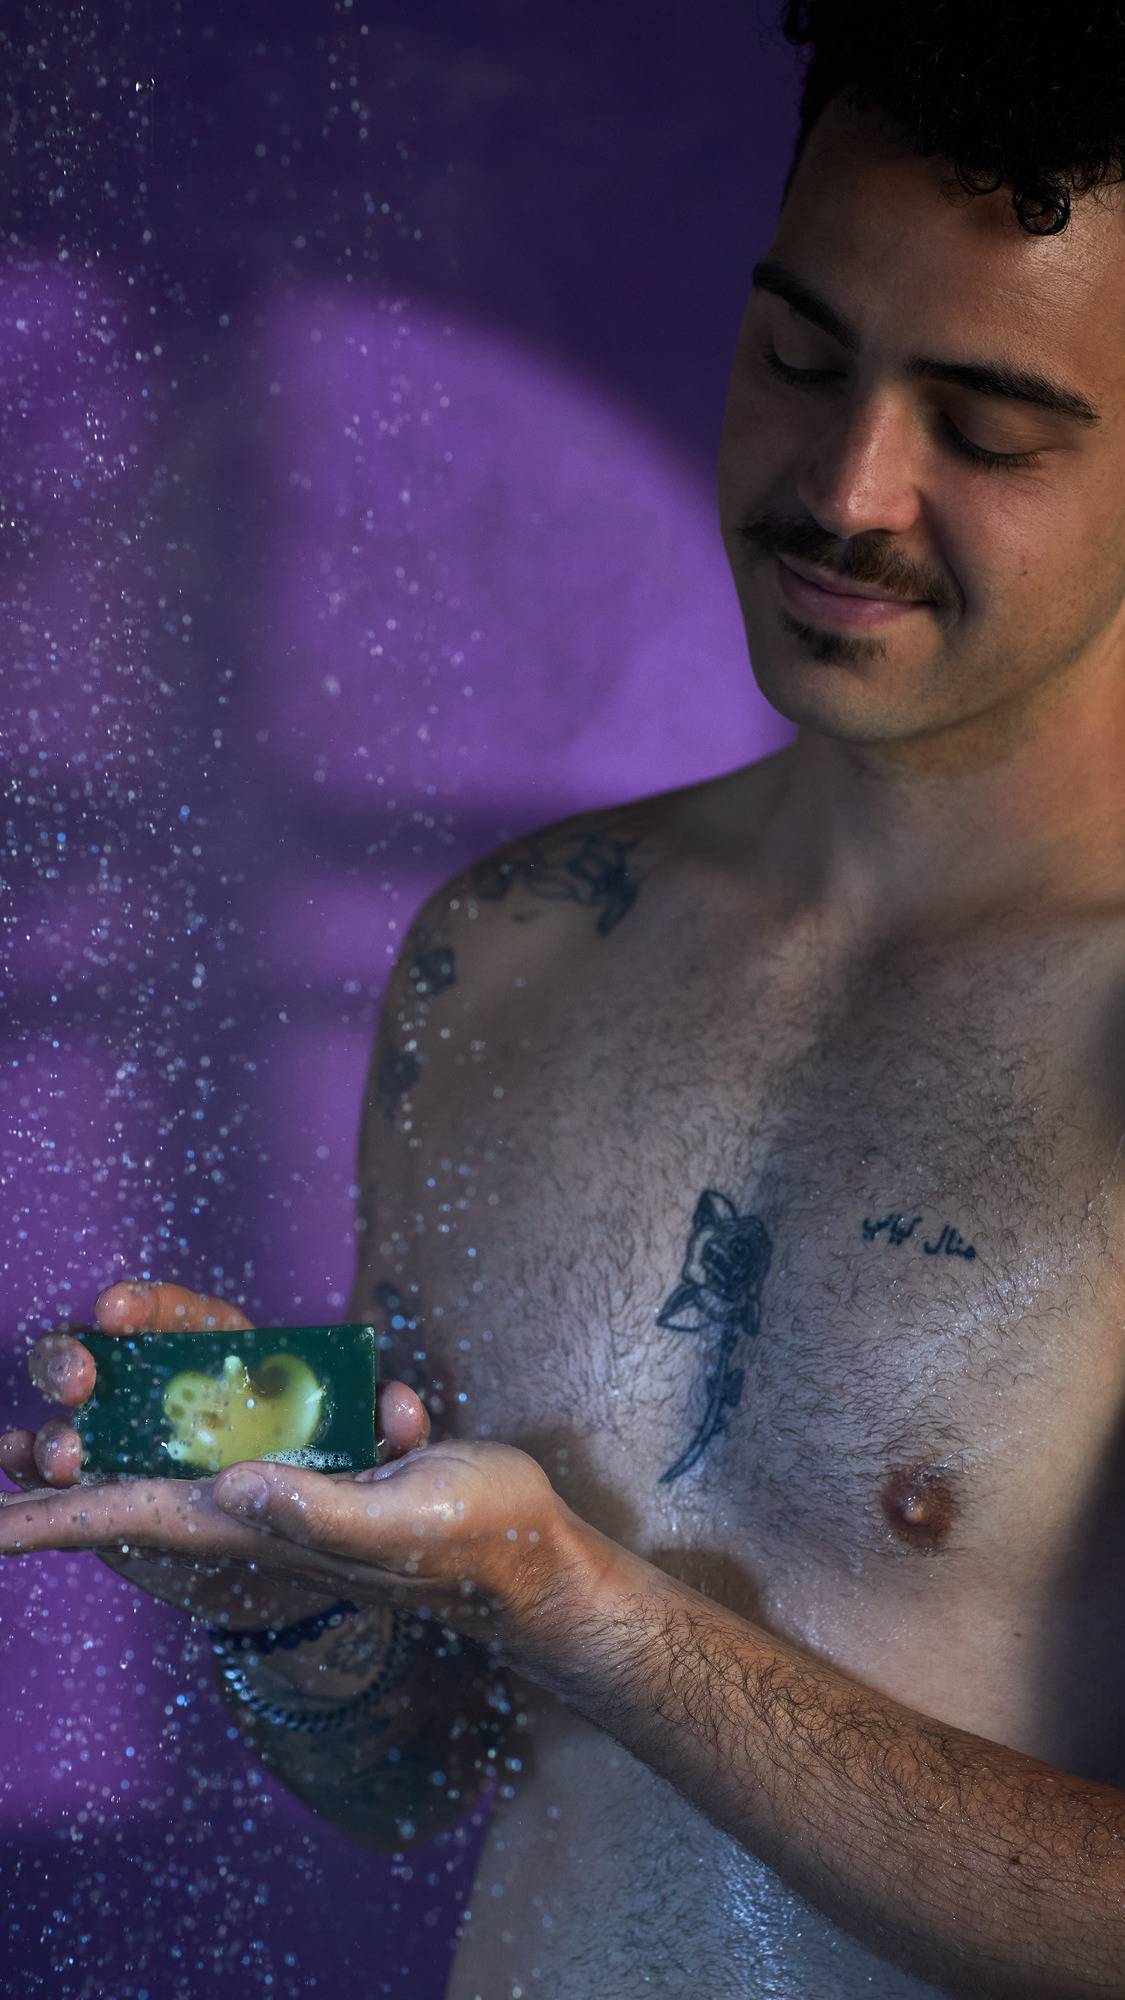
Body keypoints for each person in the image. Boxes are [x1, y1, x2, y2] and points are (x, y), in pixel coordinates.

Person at [5, 3, 1125, 1993]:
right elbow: (422, 1770)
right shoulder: (511, 949)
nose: (847, 486)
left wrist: (580, 1602)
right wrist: (291, 1604)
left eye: (983, 428)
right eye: (798, 358)